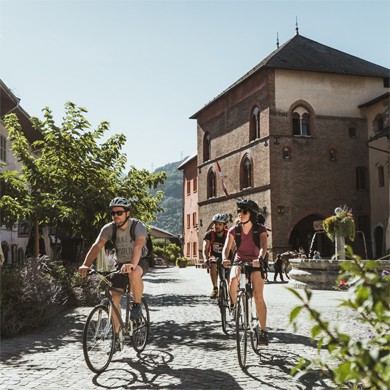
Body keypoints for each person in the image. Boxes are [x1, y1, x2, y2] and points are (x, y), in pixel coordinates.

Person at [79, 197, 149, 352]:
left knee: (134, 273)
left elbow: (138, 245)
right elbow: (97, 246)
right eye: (113, 213)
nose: (116, 215)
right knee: (113, 297)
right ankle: (117, 336)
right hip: (120, 264)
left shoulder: (137, 226)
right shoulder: (109, 228)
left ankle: (137, 306)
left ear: (127, 213)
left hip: (139, 261)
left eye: (119, 212)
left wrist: (132, 264)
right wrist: (86, 264)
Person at [222, 199, 269, 345]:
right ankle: (235, 307)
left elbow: (263, 246)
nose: (240, 214)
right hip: (239, 260)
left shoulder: (260, 229)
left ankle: (262, 331)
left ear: (252, 214)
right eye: (239, 211)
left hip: (255, 262)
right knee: (233, 280)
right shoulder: (234, 230)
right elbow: (227, 247)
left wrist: (260, 258)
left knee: (257, 296)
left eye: (244, 211)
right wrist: (224, 258)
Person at [202, 213, 230, 299]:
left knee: (229, 277)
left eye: (220, 224)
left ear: (224, 225)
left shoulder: (229, 234)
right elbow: (205, 248)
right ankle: (215, 288)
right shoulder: (209, 234)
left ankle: (232, 294)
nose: (217, 226)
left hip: (227, 257)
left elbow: (234, 247)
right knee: (212, 263)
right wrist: (205, 260)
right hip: (215, 256)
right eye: (215, 224)